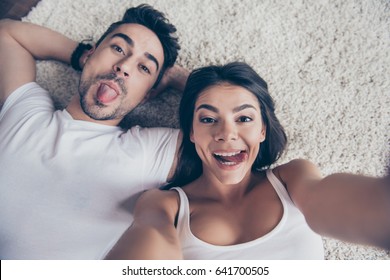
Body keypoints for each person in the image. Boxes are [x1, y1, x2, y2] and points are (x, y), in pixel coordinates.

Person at [105, 62, 390, 260]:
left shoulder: (292, 178)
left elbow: (359, 208)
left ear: (263, 129)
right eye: (208, 119)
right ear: (191, 132)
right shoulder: (164, 205)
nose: (226, 134)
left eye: (244, 118)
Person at [0, 4, 189, 259]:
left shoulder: (148, 152)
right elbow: (7, 33)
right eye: (118, 49)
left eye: (144, 67)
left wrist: (178, 78)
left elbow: (239, 134)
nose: (123, 66)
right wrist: (81, 56)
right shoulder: (27, 112)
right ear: (91, 55)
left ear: (148, 95)